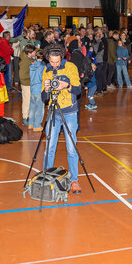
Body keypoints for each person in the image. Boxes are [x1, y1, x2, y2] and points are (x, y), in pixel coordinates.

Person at [41, 44, 82, 195]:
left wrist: (67, 85)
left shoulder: (70, 67)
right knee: (49, 147)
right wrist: (46, 89)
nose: (54, 64)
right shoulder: (46, 70)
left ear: (62, 58)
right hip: (53, 112)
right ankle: (46, 177)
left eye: (57, 61)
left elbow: (78, 90)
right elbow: (44, 97)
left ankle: (74, 180)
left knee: (71, 148)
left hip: (69, 112)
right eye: (52, 62)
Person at [19, 44, 38, 124]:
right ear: (29, 53)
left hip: (31, 82)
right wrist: (32, 77)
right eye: (34, 52)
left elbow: (37, 50)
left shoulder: (29, 56)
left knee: (32, 100)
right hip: (26, 83)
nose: (35, 53)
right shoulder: (25, 62)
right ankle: (25, 118)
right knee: (27, 101)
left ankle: (30, 116)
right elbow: (22, 76)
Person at [28, 49, 46, 130]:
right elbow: (42, 78)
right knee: (39, 108)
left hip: (32, 88)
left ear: (35, 57)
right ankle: (37, 125)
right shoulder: (43, 67)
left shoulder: (32, 65)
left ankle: (30, 124)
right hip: (39, 89)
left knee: (32, 107)